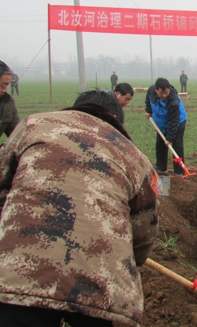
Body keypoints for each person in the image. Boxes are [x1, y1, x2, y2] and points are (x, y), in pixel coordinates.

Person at [0, 89, 159, 327]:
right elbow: (145, 233)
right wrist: (134, 257)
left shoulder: (32, 126)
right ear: (116, 120)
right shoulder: (135, 158)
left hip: (17, 278)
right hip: (104, 290)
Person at [145, 78, 187, 176]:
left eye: (166, 93)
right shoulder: (151, 91)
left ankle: (179, 171)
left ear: (169, 89)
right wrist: (148, 110)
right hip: (161, 122)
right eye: (161, 93)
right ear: (156, 90)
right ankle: (161, 168)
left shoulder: (174, 101)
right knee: (160, 145)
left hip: (177, 122)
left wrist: (170, 138)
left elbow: (173, 121)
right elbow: (148, 100)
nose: (164, 95)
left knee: (177, 146)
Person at [0, 61, 20, 138]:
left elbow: (17, 134)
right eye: (2, 86)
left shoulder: (7, 103)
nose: (4, 90)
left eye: (6, 86)